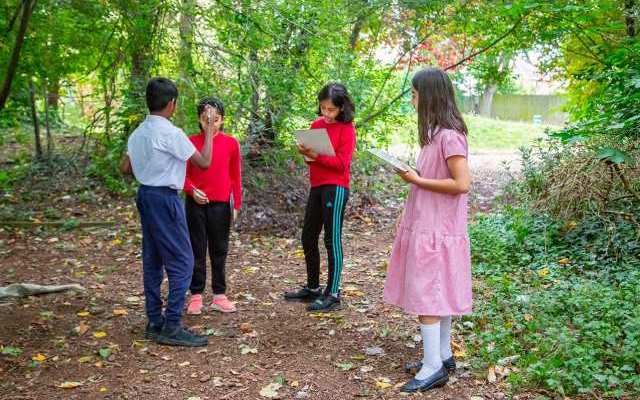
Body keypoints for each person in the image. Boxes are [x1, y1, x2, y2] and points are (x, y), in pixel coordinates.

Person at [382, 68, 472, 393]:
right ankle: (443, 355)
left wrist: (417, 180)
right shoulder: (434, 135)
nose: (412, 99)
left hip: (439, 229)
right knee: (437, 291)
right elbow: (430, 176)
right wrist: (409, 206)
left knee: (428, 296)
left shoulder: (450, 135)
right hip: (426, 224)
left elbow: (461, 183)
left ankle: (433, 367)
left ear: (429, 96)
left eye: (415, 93)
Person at [121, 77, 215, 347]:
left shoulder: (138, 133)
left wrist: (146, 164)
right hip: (165, 198)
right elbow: (205, 162)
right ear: (172, 103)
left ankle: (154, 321)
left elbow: (125, 168)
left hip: (145, 195)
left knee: (153, 259)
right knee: (183, 261)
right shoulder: (171, 134)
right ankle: (172, 324)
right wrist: (208, 129)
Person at [284, 83, 357, 313]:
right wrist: (307, 155)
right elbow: (313, 161)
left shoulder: (347, 129)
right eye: (323, 108)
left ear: (342, 108)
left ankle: (333, 293)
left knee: (331, 238)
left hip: (336, 188)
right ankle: (313, 287)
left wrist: (316, 155)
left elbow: (341, 164)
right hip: (317, 186)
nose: (326, 114)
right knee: (308, 236)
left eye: (331, 110)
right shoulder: (316, 125)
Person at [184, 97, 242, 315]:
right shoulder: (189, 141)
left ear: (222, 120)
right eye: (206, 119)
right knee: (196, 249)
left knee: (219, 250)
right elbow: (182, 174)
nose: (211, 124)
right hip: (195, 204)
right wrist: (190, 190)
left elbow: (235, 176)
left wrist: (236, 203)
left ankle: (219, 295)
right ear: (199, 119)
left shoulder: (231, 143)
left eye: (216, 120)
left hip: (220, 205)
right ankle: (196, 295)